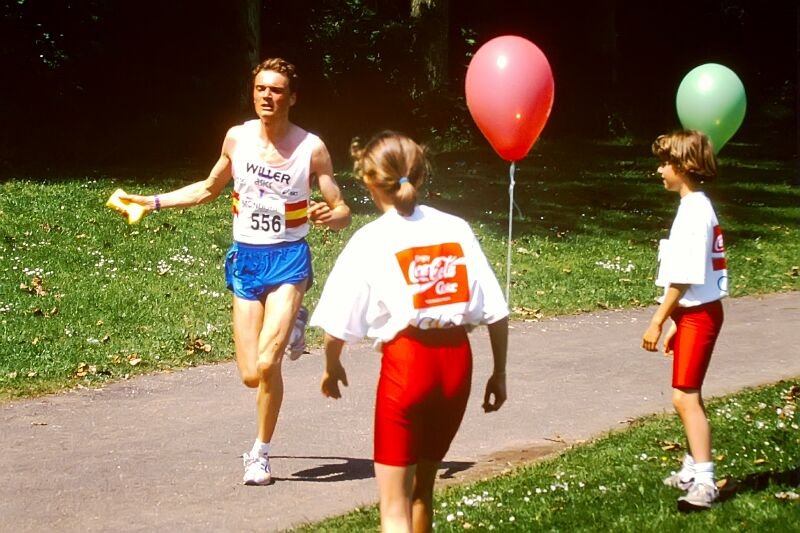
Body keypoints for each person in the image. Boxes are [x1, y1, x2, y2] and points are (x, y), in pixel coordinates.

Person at [119, 58, 351, 485]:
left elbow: (341, 210)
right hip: (246, 260)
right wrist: (151, 202)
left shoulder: (310, 148)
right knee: (250, 374)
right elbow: (209, 189)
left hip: (288, 260)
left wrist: (330, 215)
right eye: (261, 88)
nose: (267, 96)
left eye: (277, 90)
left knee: (268, 362)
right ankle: (295, 325)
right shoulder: (237, 138)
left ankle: (260, 454)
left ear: (292, 98)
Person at [309, 131, 508, 532]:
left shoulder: (371, 239)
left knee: (393, 506)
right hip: (456, 366)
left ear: (368, 180)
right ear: (421, 174)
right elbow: (496, 311)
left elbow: (337, 323)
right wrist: (499, 373)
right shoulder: (456, 228)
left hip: (409, 364)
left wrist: (331, 366)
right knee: (422, 493)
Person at [641, 129, 727, 511]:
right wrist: (677, 320)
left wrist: (659, 320)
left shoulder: (695, 212)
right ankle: (692, 467)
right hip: (692, 314)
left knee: (684, 397)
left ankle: (705, 482)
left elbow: (685, 276)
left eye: (665, 163)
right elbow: (697, 276)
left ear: (685, 166)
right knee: (688, 394)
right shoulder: (694, 206)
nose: (660, 170)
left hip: (699, 316)